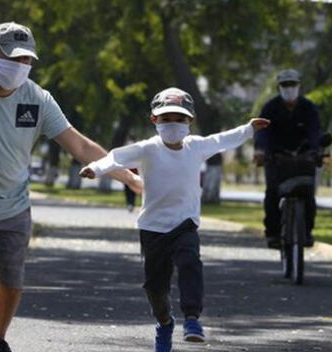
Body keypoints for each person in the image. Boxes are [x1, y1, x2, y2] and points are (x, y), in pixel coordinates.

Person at [0, 22, 141, 352]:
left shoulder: (37, 99)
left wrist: (128, 176)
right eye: (13, 59)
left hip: (13, 203)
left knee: (10, 281)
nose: (21, 67)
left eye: (27, 61)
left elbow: (79, 146)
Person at [79, 87, 269, 352]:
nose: (173, 125)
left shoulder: (197, 146)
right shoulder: (147, 149)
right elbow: (115, 157)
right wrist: (94, 168)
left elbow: (222, 139)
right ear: (154, 121)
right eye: (166, 119)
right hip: (152, 228)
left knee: (190, 262)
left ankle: (192, 320)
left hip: (185, 224)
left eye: (179, 119)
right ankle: (165, 323)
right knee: (155, 287)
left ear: (189, 121)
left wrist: (249, 129)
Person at [253, 68, 321, 249]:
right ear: (279, 87)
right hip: (276, 158)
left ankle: (306, 232)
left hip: (303, 158)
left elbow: (315, 131)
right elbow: (261, 132)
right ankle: (274, 234)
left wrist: (316, 150)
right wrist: (261, 151)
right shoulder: (270, 108)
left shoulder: (309, 108)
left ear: (299, 86)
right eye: (285, 85)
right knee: (272, 193)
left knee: (308, 194)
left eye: (292, 84)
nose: (289, 88)